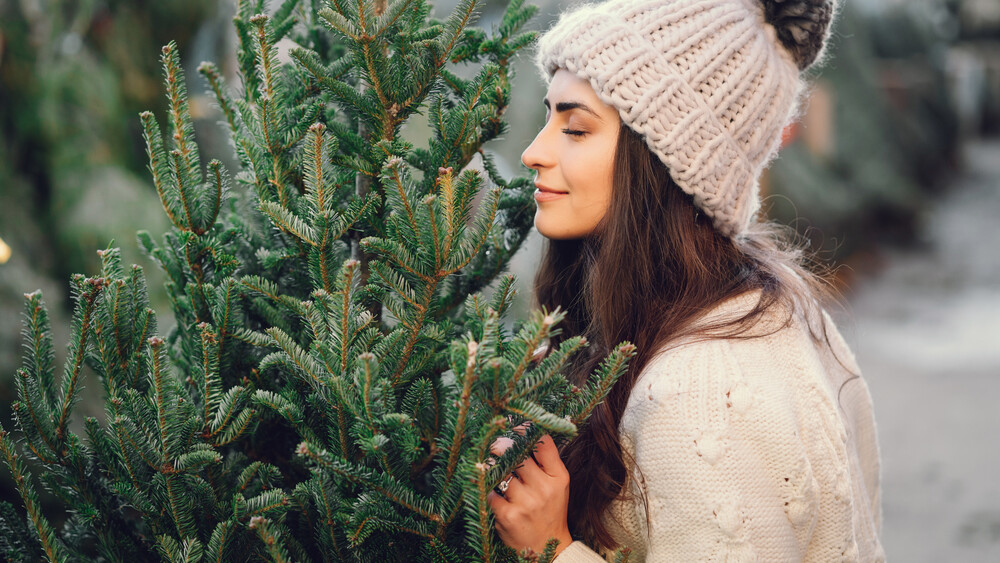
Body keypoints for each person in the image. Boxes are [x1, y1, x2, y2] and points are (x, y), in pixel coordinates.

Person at [485, 0, 884, 561]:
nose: (533, 152)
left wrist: (552, 547)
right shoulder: (767, 309)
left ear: (663, 161)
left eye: (575, 129)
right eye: (549, 118)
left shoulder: (700, 391)